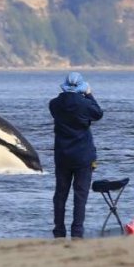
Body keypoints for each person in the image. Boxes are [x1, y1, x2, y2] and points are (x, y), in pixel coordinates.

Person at [49, 72, 103, 238]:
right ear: (81, 86)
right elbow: (98, 113)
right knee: (80, 195)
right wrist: (89, 94)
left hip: (62, 155)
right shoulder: (85, 104)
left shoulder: (54, 104)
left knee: (60, 194)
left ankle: (59, 231)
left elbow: (59, 104)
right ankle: (77, 231)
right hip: (83, 155)